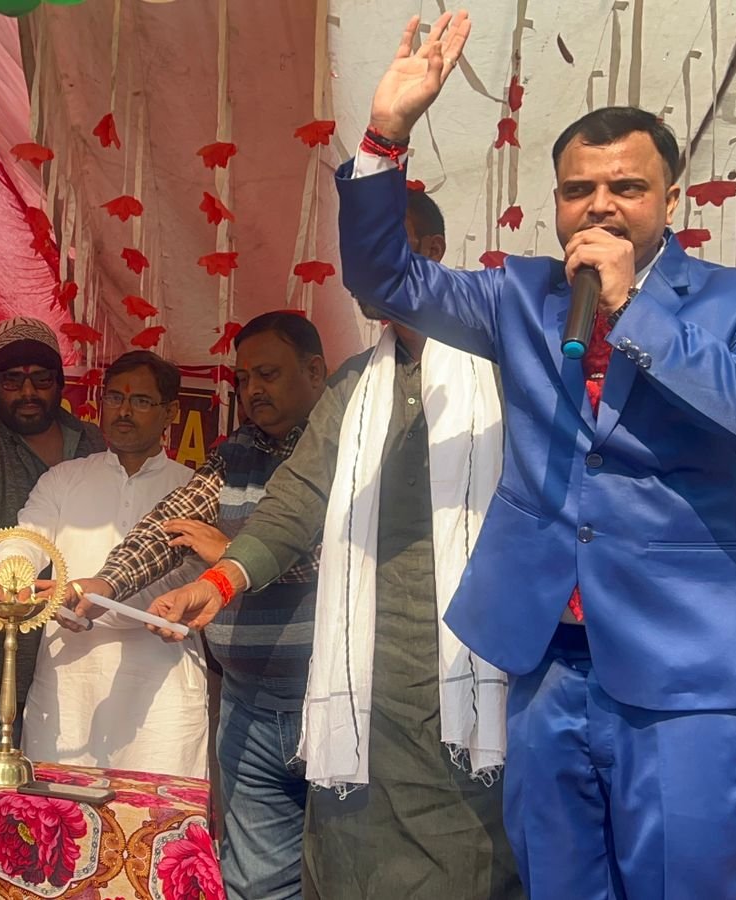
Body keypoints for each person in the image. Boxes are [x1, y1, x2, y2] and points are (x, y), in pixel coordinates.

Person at [158, 12, 736, 898]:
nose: (601, 205)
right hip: (545, 664)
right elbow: (387, 280)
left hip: (683, 671)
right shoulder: (524, 297)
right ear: (557, 203)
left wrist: (635, 312)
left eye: (627, 186)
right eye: (579, 189)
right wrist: (386, 135)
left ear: (670, 201)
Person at [156, 193, 522, 897]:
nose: (369, 269)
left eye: (388, 246)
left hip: (472, 677)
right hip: (359, 688)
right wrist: (220, 580)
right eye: (360, 253)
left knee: (464, 865)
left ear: (435, 253)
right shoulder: (355, 384)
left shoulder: (505, 367)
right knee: (348, 861)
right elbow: (297, 500)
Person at [63, 312, 329, 899]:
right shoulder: (238, 452)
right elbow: (167, 525)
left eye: (267, 374)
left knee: (346, 875)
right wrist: (105, 584)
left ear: (315, 371)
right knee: (254, 883)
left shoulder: (348, 444)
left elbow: (352, 560)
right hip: (248, 704)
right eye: (243, 378)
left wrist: (234, 554)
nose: (253, 389)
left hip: (334, 704)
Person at [0, 350, 204, 775]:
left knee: (157, 810)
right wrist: (12, 574)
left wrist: (98, 601)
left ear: (170, 413)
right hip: (69, 684)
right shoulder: (64, 478)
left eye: (140, 401)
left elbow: (191, 578)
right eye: (114, 398)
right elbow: (27, 537)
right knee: (58, 807)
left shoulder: (191, 489)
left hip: (162, 689)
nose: (124, 411)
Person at [0, 316, 105, 756]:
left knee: (70, 785)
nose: (28, 392)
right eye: (12, 380)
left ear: (59, 384)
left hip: (79, 656)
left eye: (41, 379)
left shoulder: (93, 443)